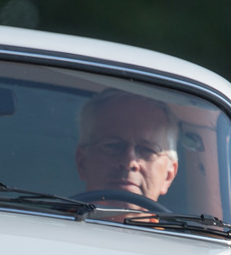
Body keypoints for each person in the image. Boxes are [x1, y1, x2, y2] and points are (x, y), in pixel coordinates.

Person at [75, 89, 180, 220]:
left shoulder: (184, 240)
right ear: (82, 162)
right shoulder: (47, 231)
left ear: (168, 176)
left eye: (147, 150)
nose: (129, 162)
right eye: (113, 145)